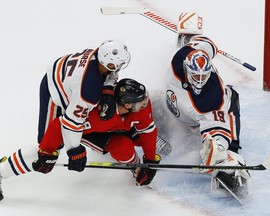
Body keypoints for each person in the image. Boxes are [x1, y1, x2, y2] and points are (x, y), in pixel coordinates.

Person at [0, 78, 161, 201]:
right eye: (141, 101)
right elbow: (59, 126)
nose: (145, 103)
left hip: (116, 123)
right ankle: (2, 171)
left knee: (141, 137)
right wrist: (47, 152)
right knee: (44, 151)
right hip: (82, 125)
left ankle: (137, 162)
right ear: (126, 104)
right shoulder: (93, 113)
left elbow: (148, 131)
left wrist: (150, 159)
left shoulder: (139, 109)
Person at [165, 35, 251, 198]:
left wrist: (218, 147)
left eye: (204, 76)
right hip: (177, 108)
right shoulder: (182, 56)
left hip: (202, 117)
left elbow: (218, 127)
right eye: (196, 76)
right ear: (187, 68)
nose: (200, 80)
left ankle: (230, 156)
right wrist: (208, 43)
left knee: (226, 142)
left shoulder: (212, 99)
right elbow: (205, 43)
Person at [37, 39, 130, 173]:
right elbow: (72, 122)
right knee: (46, 147)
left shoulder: (99, 53)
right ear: (108, 63)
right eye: (118, 64)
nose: (119, 68)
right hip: (54, 87)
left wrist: (108, 90)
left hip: (69, 79)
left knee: (61, 136)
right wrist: (75, 151)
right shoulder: (88, 91)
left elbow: (112, 73)